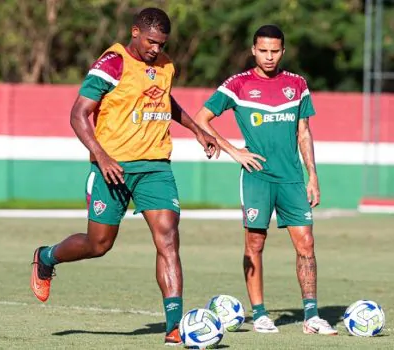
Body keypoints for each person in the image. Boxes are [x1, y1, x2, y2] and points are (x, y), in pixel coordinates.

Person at [30, 7, 219, 346]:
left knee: (168, 238)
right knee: (98, 244)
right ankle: (46, 257)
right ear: (134, 32)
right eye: (150, 42)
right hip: (112, 167)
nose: (156, 49)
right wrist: (102, 157)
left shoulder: (164, 64)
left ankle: (174, 327)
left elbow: (163, 99)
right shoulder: (112, 63)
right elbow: (78, 114)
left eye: (161, 44)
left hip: (155, 166)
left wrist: (196, 128)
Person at [194, 24, 338, 335]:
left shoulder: (297, 84)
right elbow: (201, 118)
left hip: (292, 179)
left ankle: (311, 316)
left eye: (275, 51)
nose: (269, 56)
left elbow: (304, 132)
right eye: (263, 50)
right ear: (253, 50)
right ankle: (260, 313)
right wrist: (234, 151)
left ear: (283, 52)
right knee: (255, 244)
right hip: (256, 179)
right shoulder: (238, 84)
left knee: (307, 244)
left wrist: (313, 174)